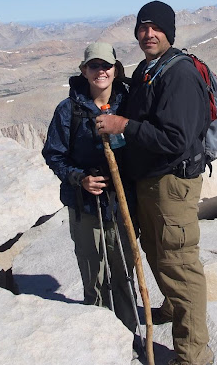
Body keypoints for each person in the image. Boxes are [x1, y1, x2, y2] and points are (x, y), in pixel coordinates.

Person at [96, 1, 214, 365]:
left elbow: (175, 139)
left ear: (169, 31)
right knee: (157, 253)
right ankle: (173, 306)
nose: (148, 33)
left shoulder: (179, 75)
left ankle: (193, 355)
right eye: (142, 28)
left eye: (155, 27)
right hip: (149, 183)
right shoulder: (150, 69)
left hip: (172, 185)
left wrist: (123, 126)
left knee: (179, 264)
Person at [41, 42, 137, 335]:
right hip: (85, 205)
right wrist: (79, 178)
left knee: (122, 272)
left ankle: (127, 333)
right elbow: (54, 154)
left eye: (106, 65)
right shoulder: (68, 110)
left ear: (116, 69)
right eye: (94, 65)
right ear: (84, 70)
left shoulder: (130, 105)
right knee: (92, 273)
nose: (101, 71)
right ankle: (99, 335)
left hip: (122, 203)